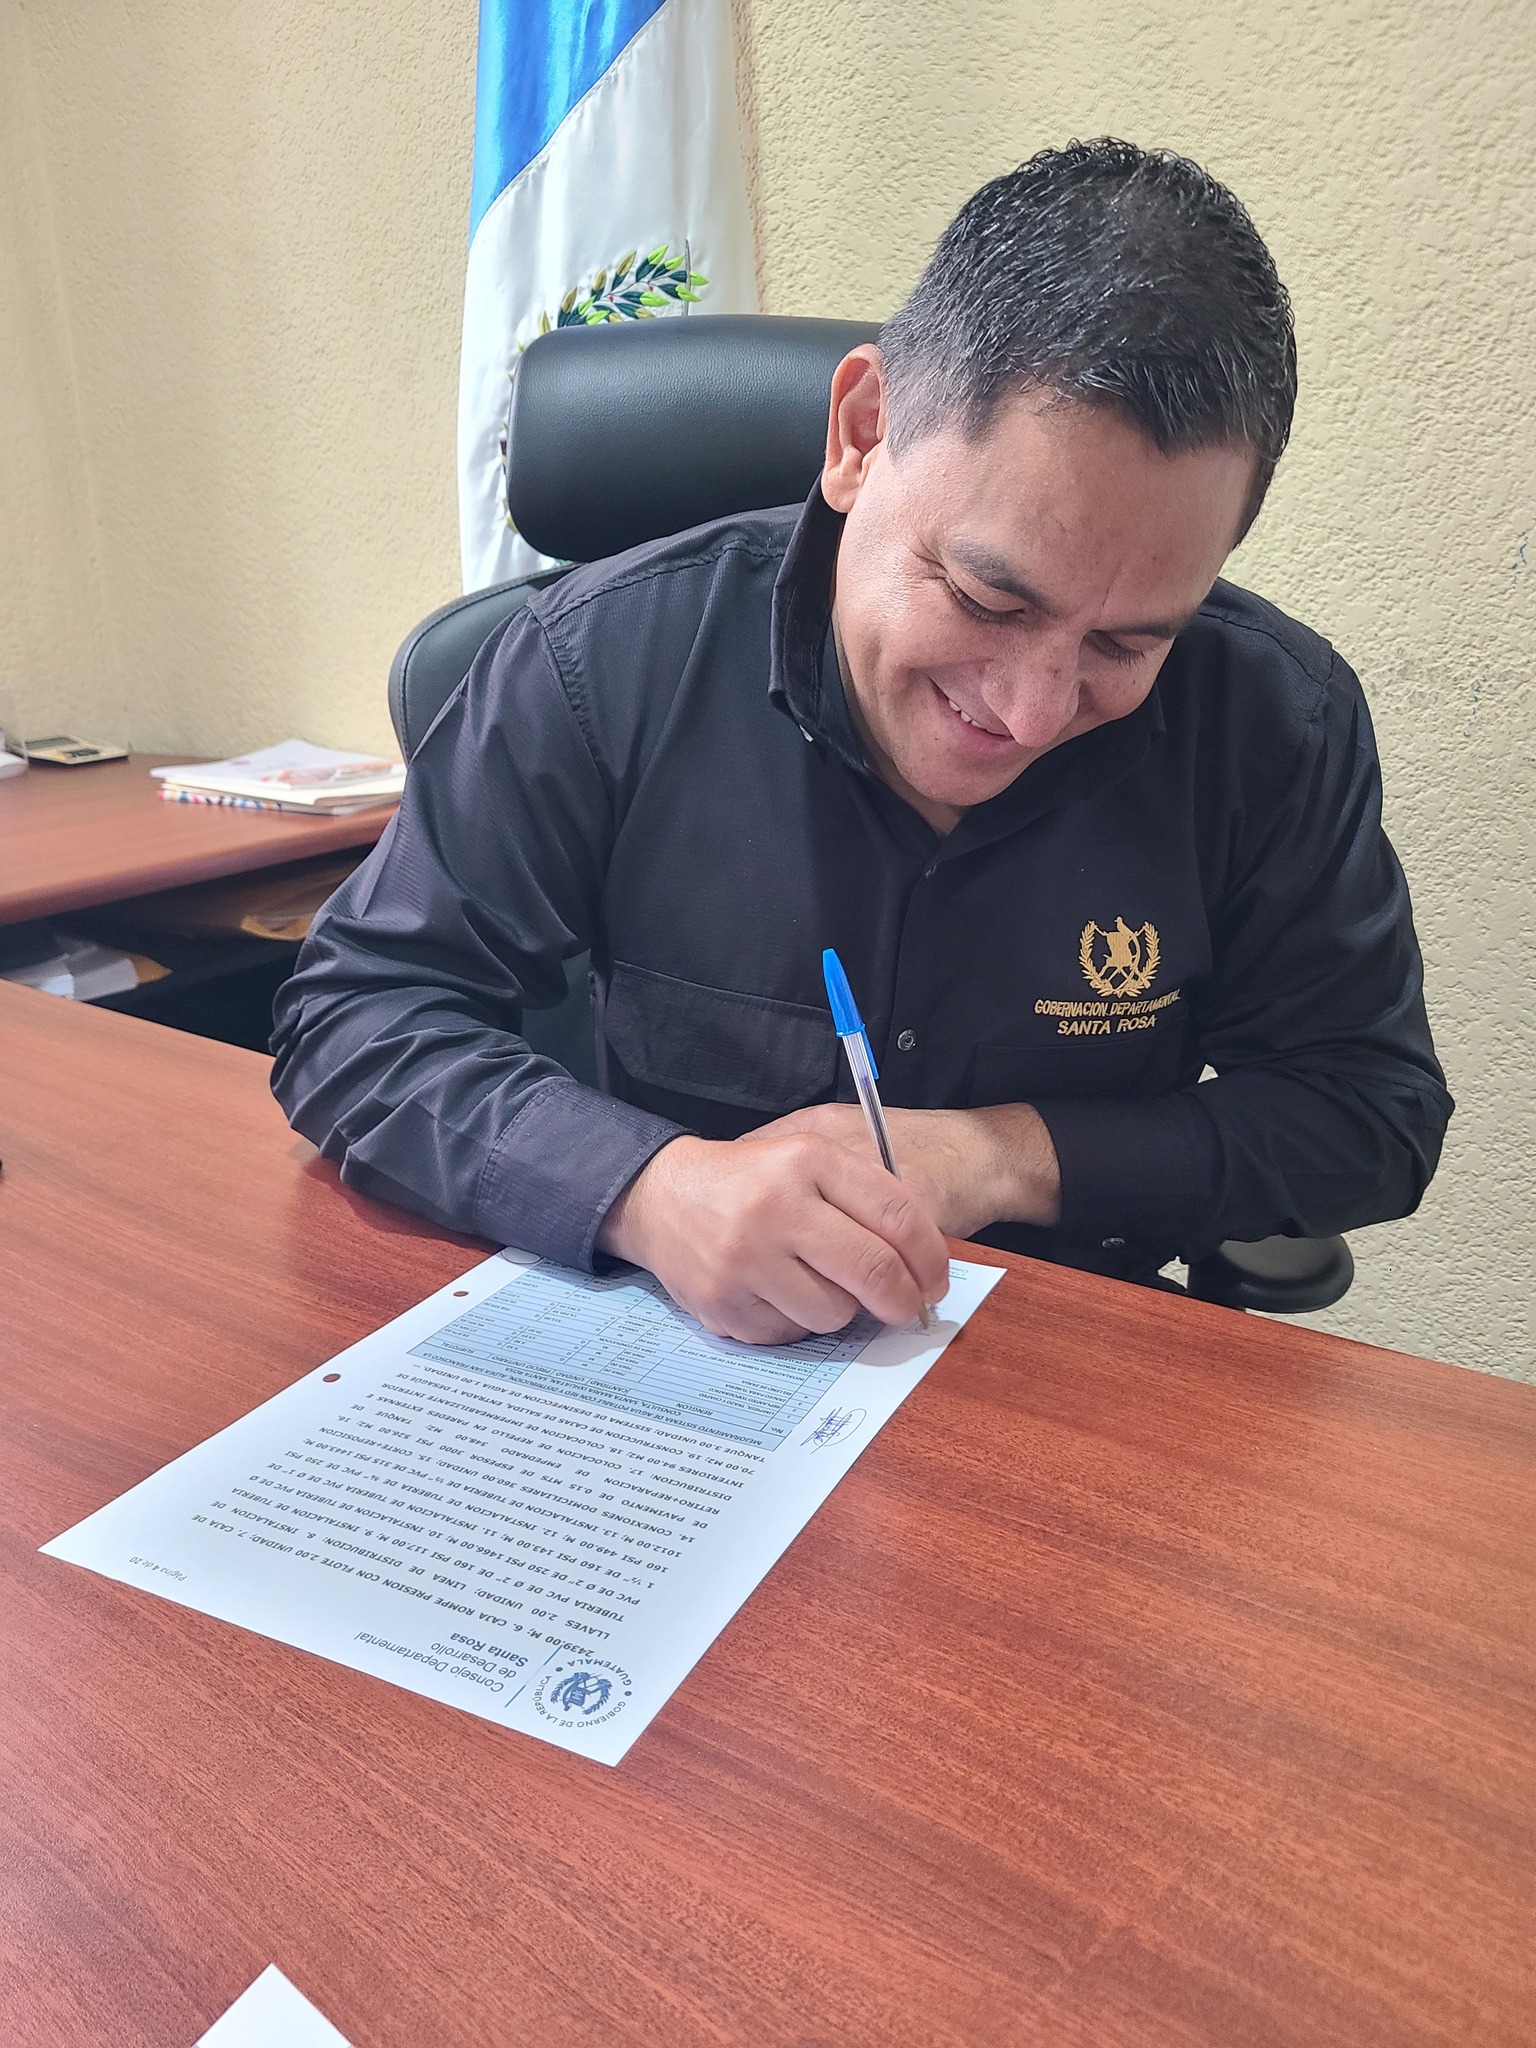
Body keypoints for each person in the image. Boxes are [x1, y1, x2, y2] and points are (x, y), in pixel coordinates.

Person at [271, 139, 1451, 1344]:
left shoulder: (1273, 721)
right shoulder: (599, 660)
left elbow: (1371, 1112)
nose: (1032, 711)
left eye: (1125, 644)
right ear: (861, 431)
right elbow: (356, 1013)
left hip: (1063, 1360)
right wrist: (653, 1189)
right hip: (680, 1344)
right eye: (989, 599)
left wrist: (1000, 1157)